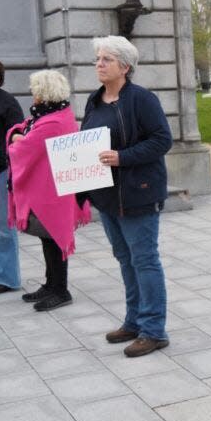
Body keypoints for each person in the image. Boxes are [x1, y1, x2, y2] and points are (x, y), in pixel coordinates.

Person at [78, 35, 172, 358]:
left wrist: (123, 157)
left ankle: (154, 330)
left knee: (144, 260)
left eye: (106, 59)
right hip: (107, 197)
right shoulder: (95, 101)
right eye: (98, 59)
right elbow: (86, 142)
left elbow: (162, 140)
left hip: (138, 194)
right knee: (125, 259)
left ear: (125, 67)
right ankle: (134, 321)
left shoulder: (142, 100)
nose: (99, 64)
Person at [6, 70, 91, 311]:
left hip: (53, 192)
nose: (32, 93)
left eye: (35, 89)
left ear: (44, 93)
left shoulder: (52, 122)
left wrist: (15, 138)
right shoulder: (51, 115)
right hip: (50, 188)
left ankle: (61, 290)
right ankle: (51, 284)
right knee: (48, 238)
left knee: (54, 238)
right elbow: (21, 129)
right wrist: (17, 134)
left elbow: (24, 148)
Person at [0, 60, 24, 295]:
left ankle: (8, 278)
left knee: (4, 228)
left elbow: (18, 138)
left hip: (1, 172)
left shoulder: (7, 103)